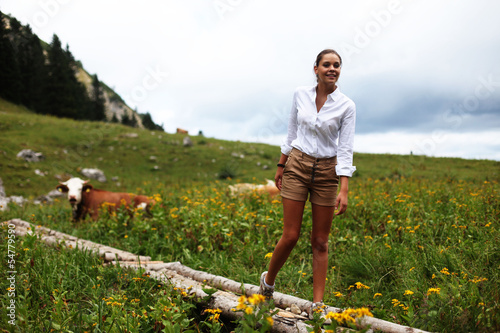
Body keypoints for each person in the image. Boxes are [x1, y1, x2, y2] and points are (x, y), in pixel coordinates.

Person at [259, 49, 356, 316]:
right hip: (297, 165)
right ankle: (268, 283)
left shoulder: (347, 105)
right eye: (327, 64)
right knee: (290, 235)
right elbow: (291, 132)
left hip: (327, 173)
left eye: (337, 65)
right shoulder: (300, 95)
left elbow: (345, 148)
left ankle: (317, 305)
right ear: (316, 69)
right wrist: (281, 164)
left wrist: (344, 187)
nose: (332, 69)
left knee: (320, 241)